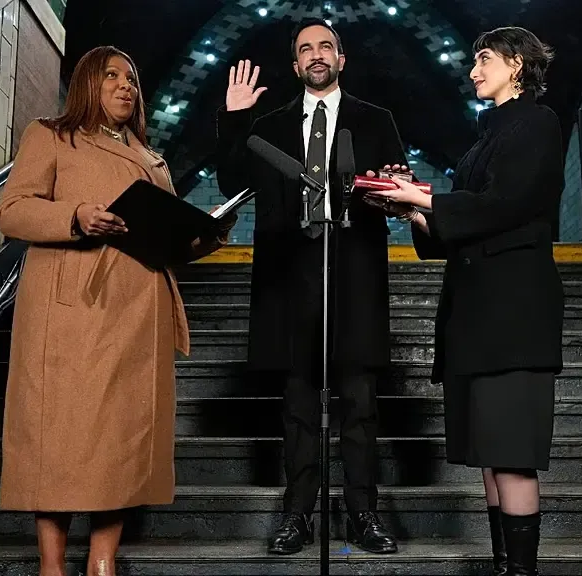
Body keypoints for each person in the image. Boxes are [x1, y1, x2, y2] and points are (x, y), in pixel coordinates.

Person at [0, 46, 234, 576]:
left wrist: (208, 235)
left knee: (122, 437)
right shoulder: (52, 135)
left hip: (140, 311)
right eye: (112, 76)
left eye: (132, 78)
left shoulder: (151, 158)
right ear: (88, 82)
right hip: (74, 308)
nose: (127, 85)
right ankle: (51, 564)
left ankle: (102, 559)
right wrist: (77, 215)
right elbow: (12, 211)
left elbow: (169, 240)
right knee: (59, 432)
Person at [365, 27, 563, 576]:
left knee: (512, 455)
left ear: (516, 63)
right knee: (489, 455)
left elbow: (507, 203)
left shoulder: (537, 122)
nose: (473, 71)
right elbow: (461, 224)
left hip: (514, 315)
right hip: (474, 315)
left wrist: (426, 197)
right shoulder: (481, 142)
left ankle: (520, 573)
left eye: (483, 59)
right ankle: (504, 567)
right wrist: (412, 210)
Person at [215, 18, 413, 555]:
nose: (317, 54)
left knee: (360, 402)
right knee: (299, 405)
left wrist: (394, 188)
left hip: (355, 275)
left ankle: (363, 516)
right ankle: (297, 516)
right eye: (306, 49)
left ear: (341, 59)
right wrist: (235, 118)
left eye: (326, 46)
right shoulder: (270, 126)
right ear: (295, 64)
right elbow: (232, 181)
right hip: (290, 276)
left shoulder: (375, 120)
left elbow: (398, 186)